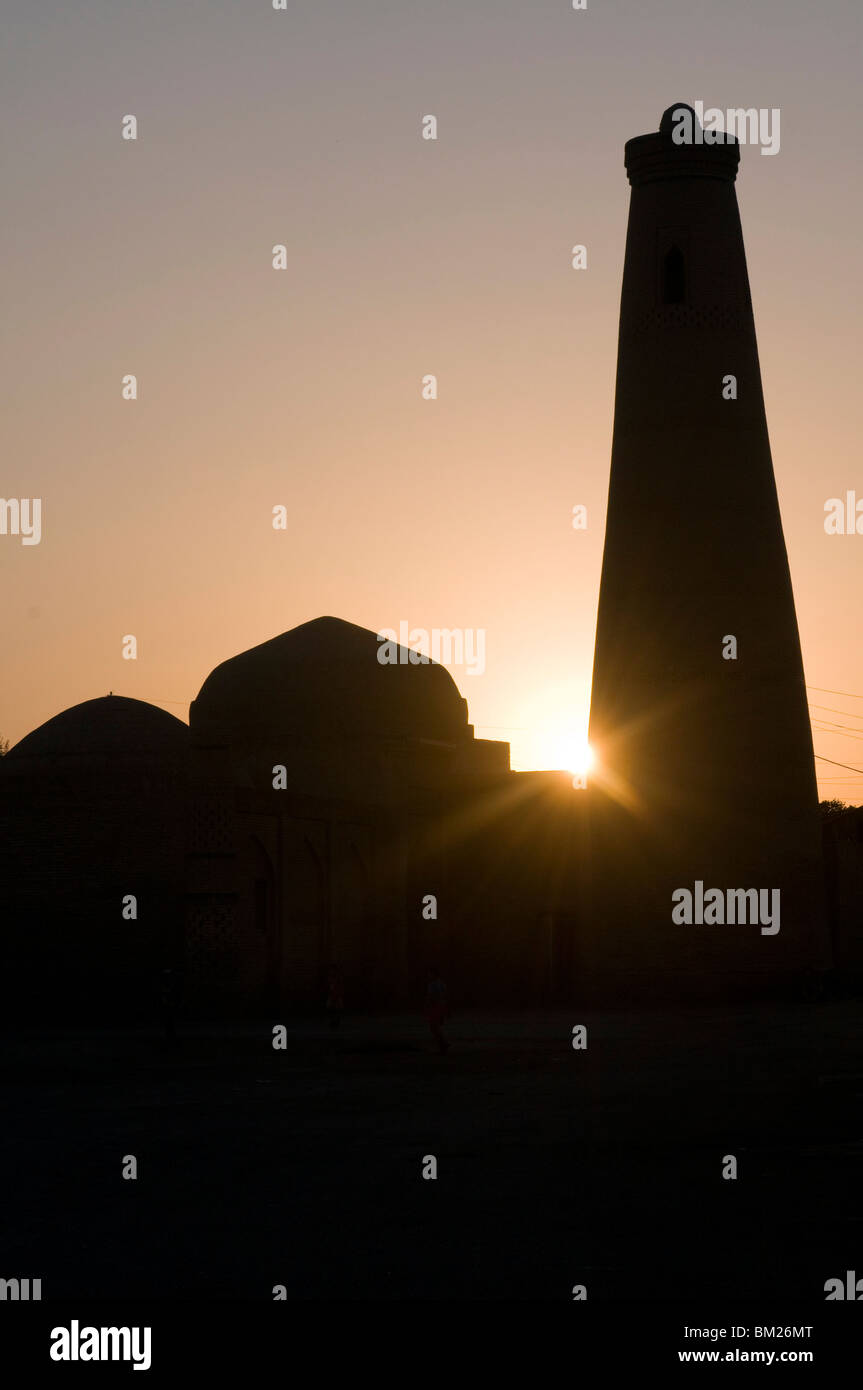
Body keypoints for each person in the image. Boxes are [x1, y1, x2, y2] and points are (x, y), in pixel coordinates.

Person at [425, 968, 449, 1054]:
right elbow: (445, 995)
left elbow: (430, 997)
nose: (428, 975)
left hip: (434, 1006)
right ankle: (442, 1043)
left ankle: (442, 1043)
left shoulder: (432, 985)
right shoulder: (442, 983)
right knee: (436, 1026)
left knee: (433, 1026)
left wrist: (427, 1006)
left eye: (429, 973)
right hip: (441, 1006)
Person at [325, 964, 344, 1030]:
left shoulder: (337, 977)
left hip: (336, 994)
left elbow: (338, 986)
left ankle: (335, 1021)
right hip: (333, 994)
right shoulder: (331, 977)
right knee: (331, 1008)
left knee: (335, 1008)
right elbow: (330, 986)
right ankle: (333, 1021)